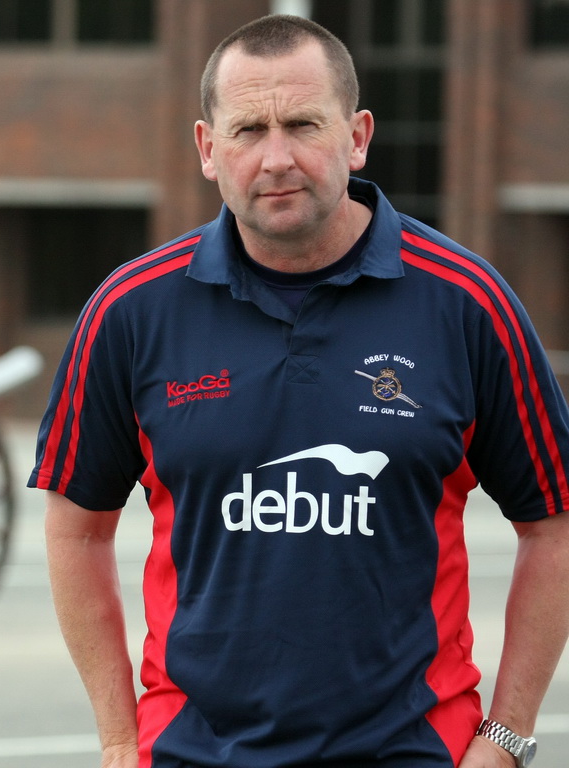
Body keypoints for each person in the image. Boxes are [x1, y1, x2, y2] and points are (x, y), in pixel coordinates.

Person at [29, 14, 569, 768]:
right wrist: (121, 739)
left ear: (357, 136)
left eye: (303, 125)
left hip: (413, 752)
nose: (276, 157)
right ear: (207, 148)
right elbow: (77, 529)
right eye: (248, 129)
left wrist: (505, 737)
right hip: (191, 753)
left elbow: (554, 524)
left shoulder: (467, 303)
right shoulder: (131, 311)